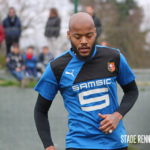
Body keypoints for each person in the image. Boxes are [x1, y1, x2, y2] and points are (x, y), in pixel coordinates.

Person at [34, 12, 138, 150]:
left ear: (95, 33)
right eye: (77, 36)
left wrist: (117, 116)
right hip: (79, 145)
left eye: (89, 35)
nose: (84, 41)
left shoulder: (114, 57)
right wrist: (49, 146)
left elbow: (132, 91)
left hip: (116, 144)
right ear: (68, 35)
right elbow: (40, 111)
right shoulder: (56, 67)